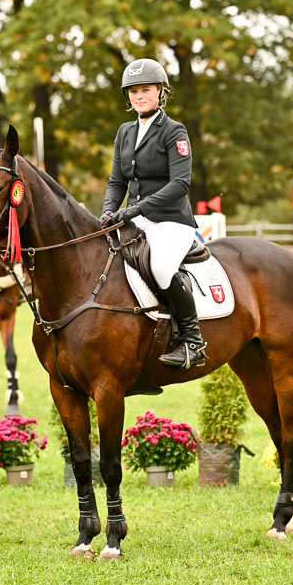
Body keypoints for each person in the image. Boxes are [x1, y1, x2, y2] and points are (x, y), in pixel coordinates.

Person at [100, 58, 207, 369]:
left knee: (160, 267)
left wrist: (135, 209)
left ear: (161, 91)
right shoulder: (125, 132)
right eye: (133, 92)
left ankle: (192, 341)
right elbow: (117, 180)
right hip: (135, 218)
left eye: (145, 90)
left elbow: (180, 184)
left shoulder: (174, 131)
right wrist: (109, 210)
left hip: (171, 220)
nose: (138, 97)